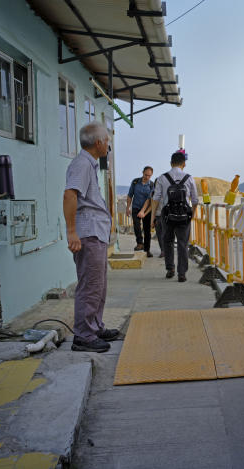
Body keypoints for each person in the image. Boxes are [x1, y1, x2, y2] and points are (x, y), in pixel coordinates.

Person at [63, 122, 119, 353]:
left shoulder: (89, 164)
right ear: (98, 143)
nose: (108, 145)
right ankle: (84, 336)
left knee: (99, 285)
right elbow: (69, 195)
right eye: (107, 140)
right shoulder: (82, 165)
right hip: (88, 233)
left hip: (96, 233)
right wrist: (71, 231)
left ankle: (94, 327)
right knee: (90, 285)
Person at [151, 151, 198, 282]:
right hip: (184, 216)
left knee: (168, 242)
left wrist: (153, 217)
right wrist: (191, 215)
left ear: (171, 163)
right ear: (184, 163)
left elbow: (156, 199)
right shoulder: (189, 178)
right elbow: (195, 200)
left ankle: (170, 269)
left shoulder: (162, 178)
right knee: (183, 244)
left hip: (167, 216)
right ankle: (182, 273)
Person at [126, 166, 155, 257]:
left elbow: (149, 200)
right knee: (136, 226)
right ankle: (139, 243)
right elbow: (130, 195)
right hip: (135, 207)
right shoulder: (135, 182)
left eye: (149, 176)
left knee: (147, 230)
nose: (147, 177)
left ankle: (147, 250)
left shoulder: (151, 185)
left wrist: (144, 212)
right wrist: (128, 208)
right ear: (142, 172)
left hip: (146, 210)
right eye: (146, 175)